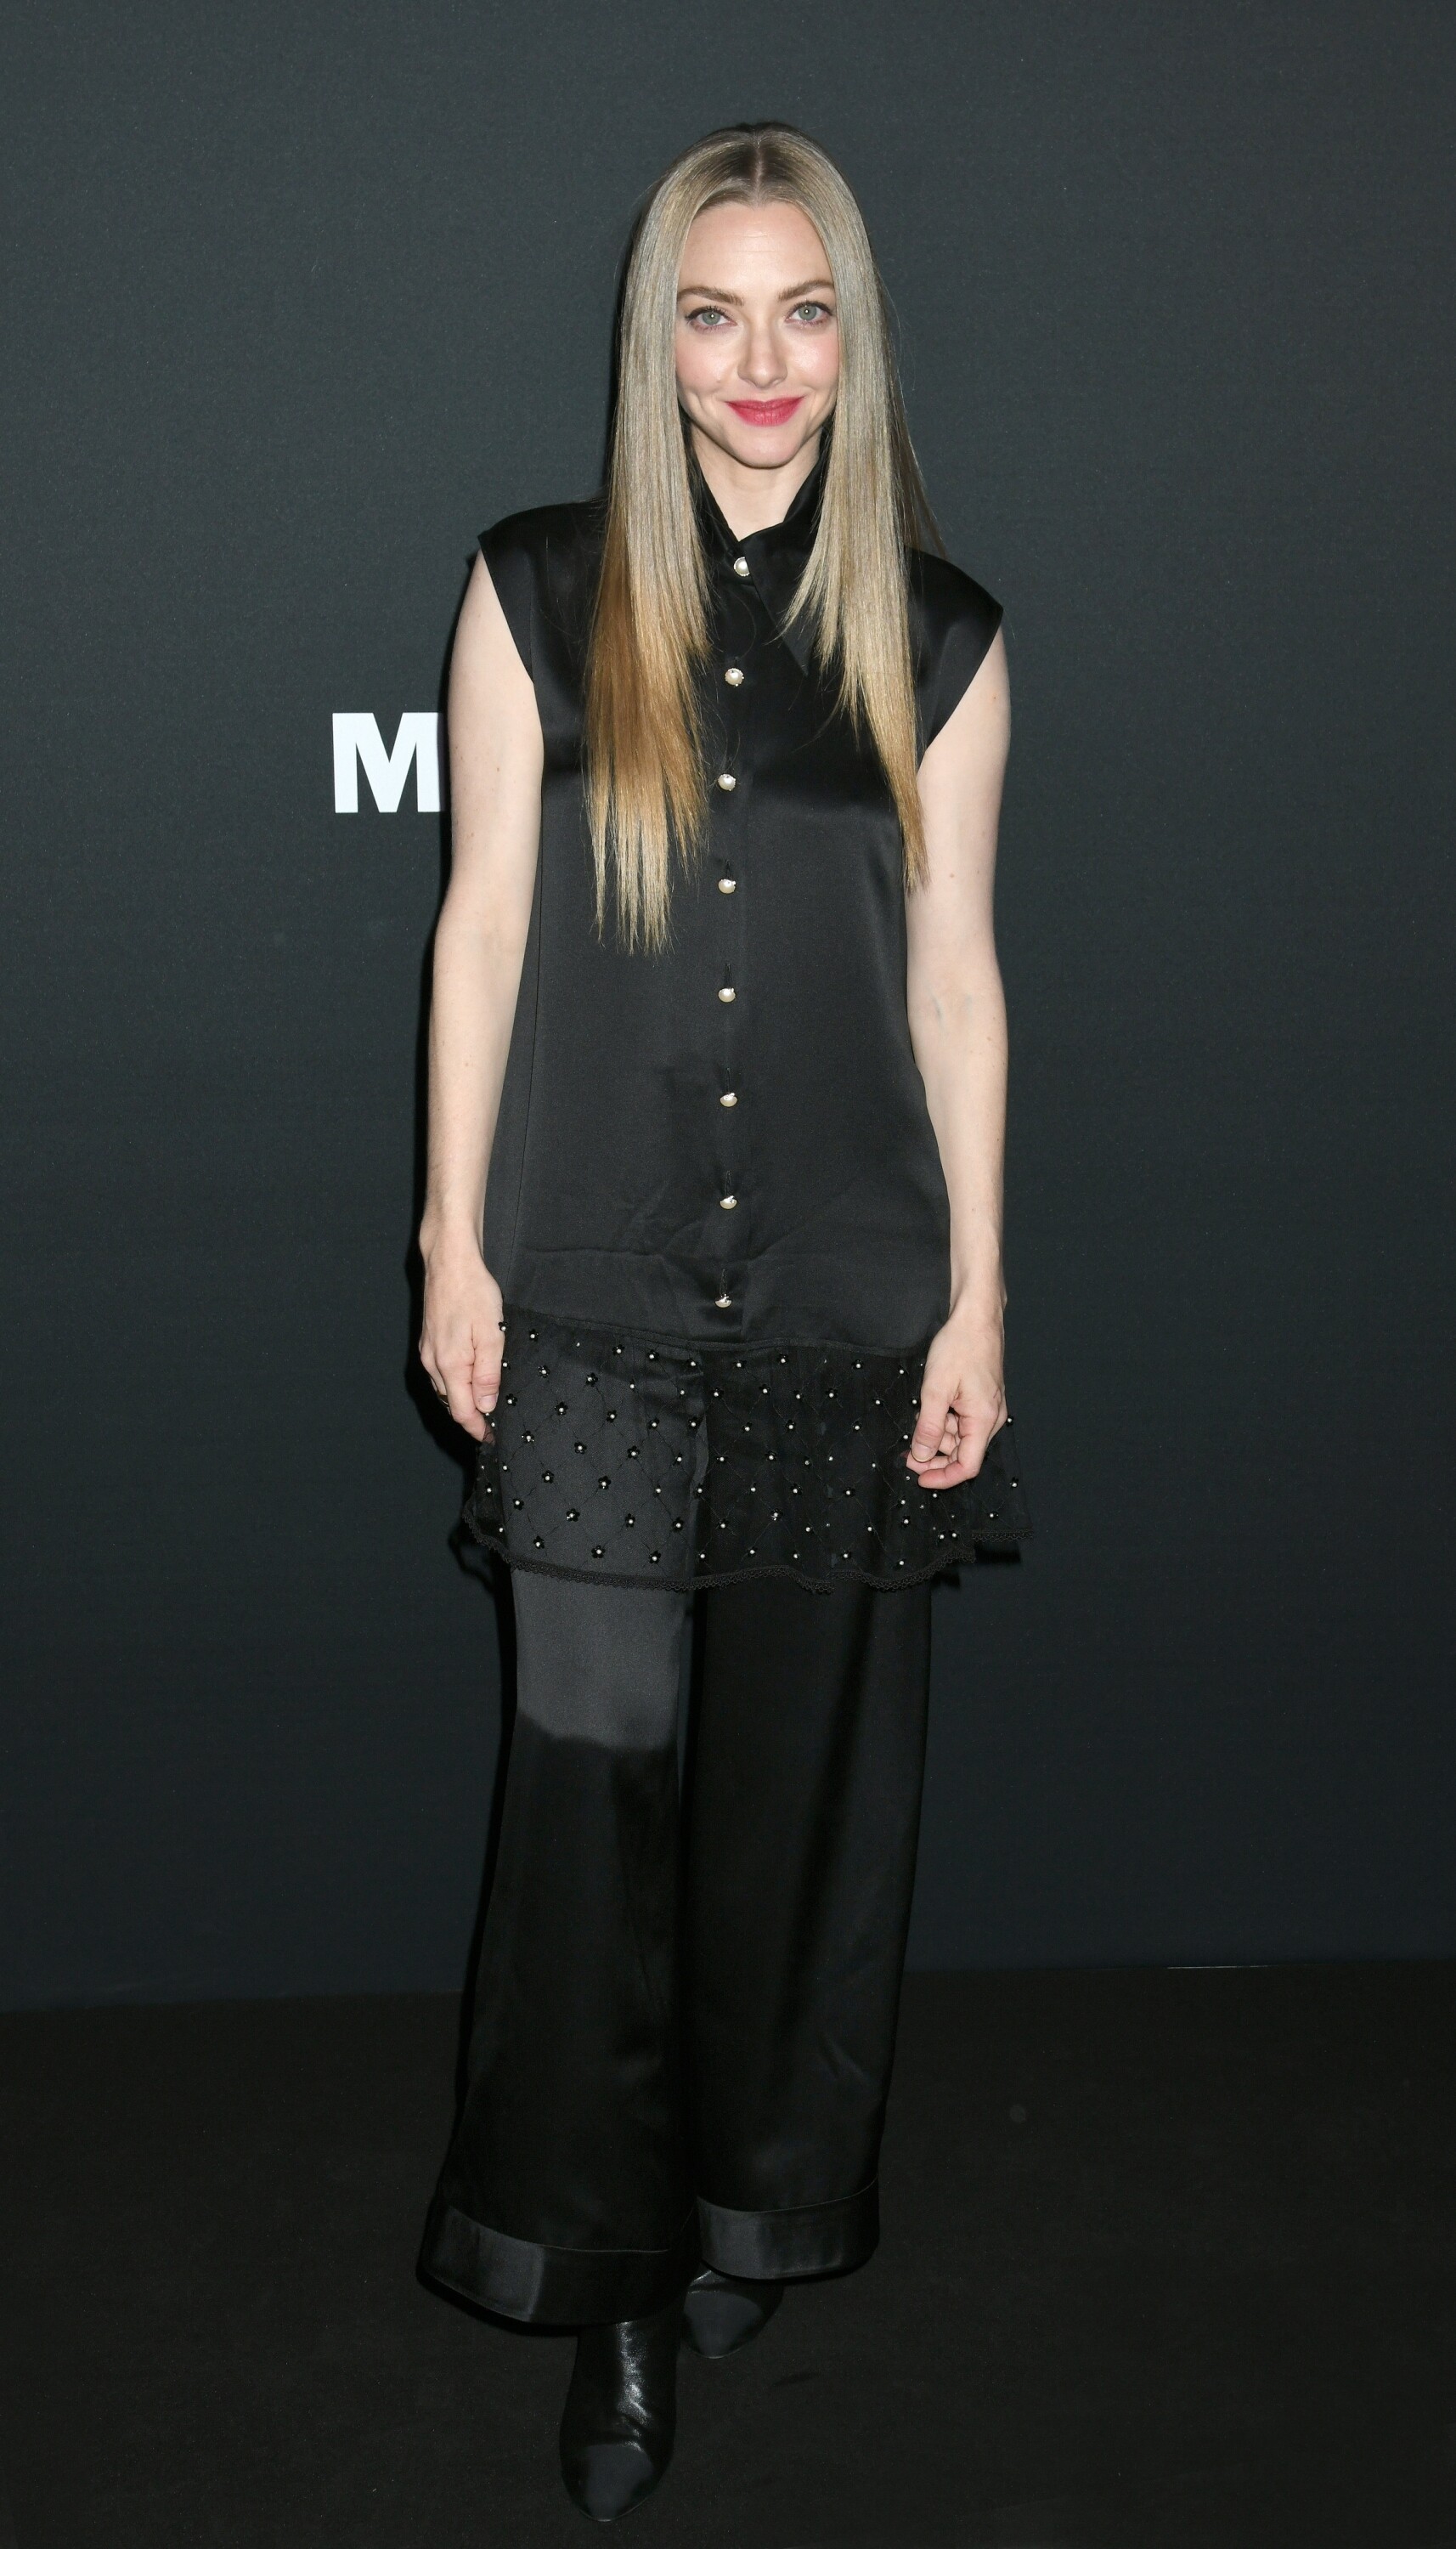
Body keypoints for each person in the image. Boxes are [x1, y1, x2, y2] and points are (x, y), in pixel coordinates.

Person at [415, 121, 1029, 2524]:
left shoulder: (942, 636)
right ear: (652, 337)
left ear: (851, 339)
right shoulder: (535, 591)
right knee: (592, 1794)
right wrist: (449, 1242)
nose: (757, 363)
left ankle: (753, 2214)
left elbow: (957, 984)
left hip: (848, 1296)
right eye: (711, 311)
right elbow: (481, 924)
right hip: (582, 1291)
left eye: (802, 312)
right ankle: (611, 2286)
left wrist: (980, 1296)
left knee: (796, 1803)